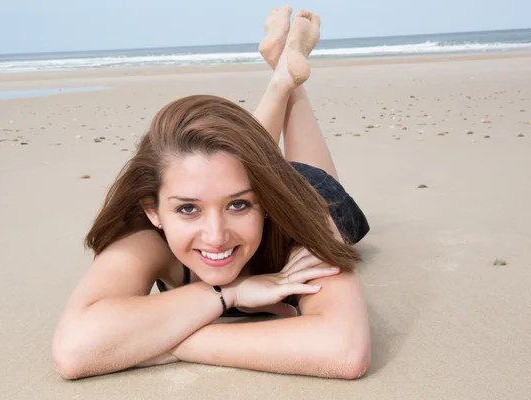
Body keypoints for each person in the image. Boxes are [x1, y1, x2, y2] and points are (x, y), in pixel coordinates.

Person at [52, 6, 371, 380]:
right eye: (188, 209)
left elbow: (343, 350)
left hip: (301, 193)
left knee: (260, 170)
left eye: (239, 206)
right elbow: (75, 350)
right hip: (242, 177)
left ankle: (288, 83)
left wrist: (171, 341)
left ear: (263, 205)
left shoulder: (302, 225)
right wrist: (228, 295)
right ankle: (282, 75)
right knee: (233, 165)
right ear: (153, 210)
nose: (215, 236)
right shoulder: (145, 233)